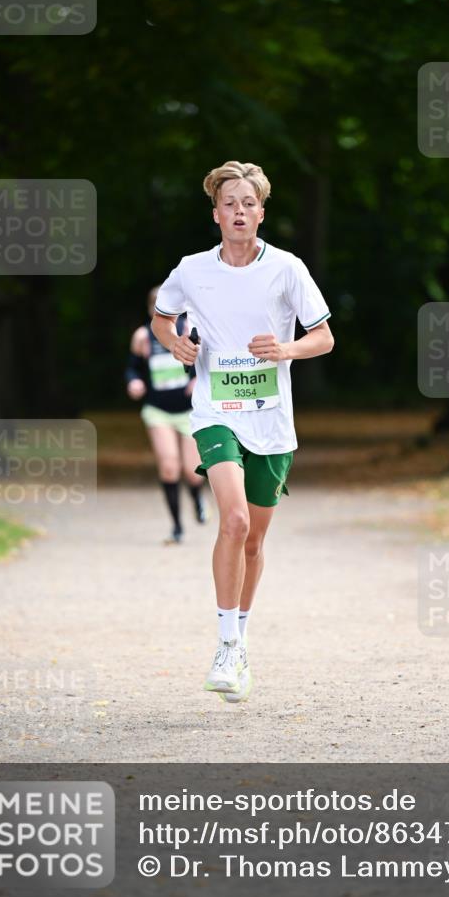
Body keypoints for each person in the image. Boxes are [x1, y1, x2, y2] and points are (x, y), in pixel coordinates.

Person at [152, 161, 334, 703]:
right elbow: (164, 318)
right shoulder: (192, 269)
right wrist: (174, 343)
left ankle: (242, 638)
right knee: (232, 521)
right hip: (216, 412)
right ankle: (225, 643)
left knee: (254, 540)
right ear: (216, 214)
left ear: (261, 212)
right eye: (230, 203)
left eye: (249, 203)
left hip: (272, 421)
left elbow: (322, 337)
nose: (239, 211)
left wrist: (286, 349)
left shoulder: (287, 269)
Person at [126, 286, 207, 543]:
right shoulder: (142, 336)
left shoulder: (189, 330)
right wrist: (133, 382)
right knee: (169, 468)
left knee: (193, 471)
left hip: (188, 410)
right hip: (158, 410)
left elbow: (206, 362)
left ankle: (197, 499)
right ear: (151, 309)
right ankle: (176, 526)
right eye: (156, 306)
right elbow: (133, 368)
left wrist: (198, 381)